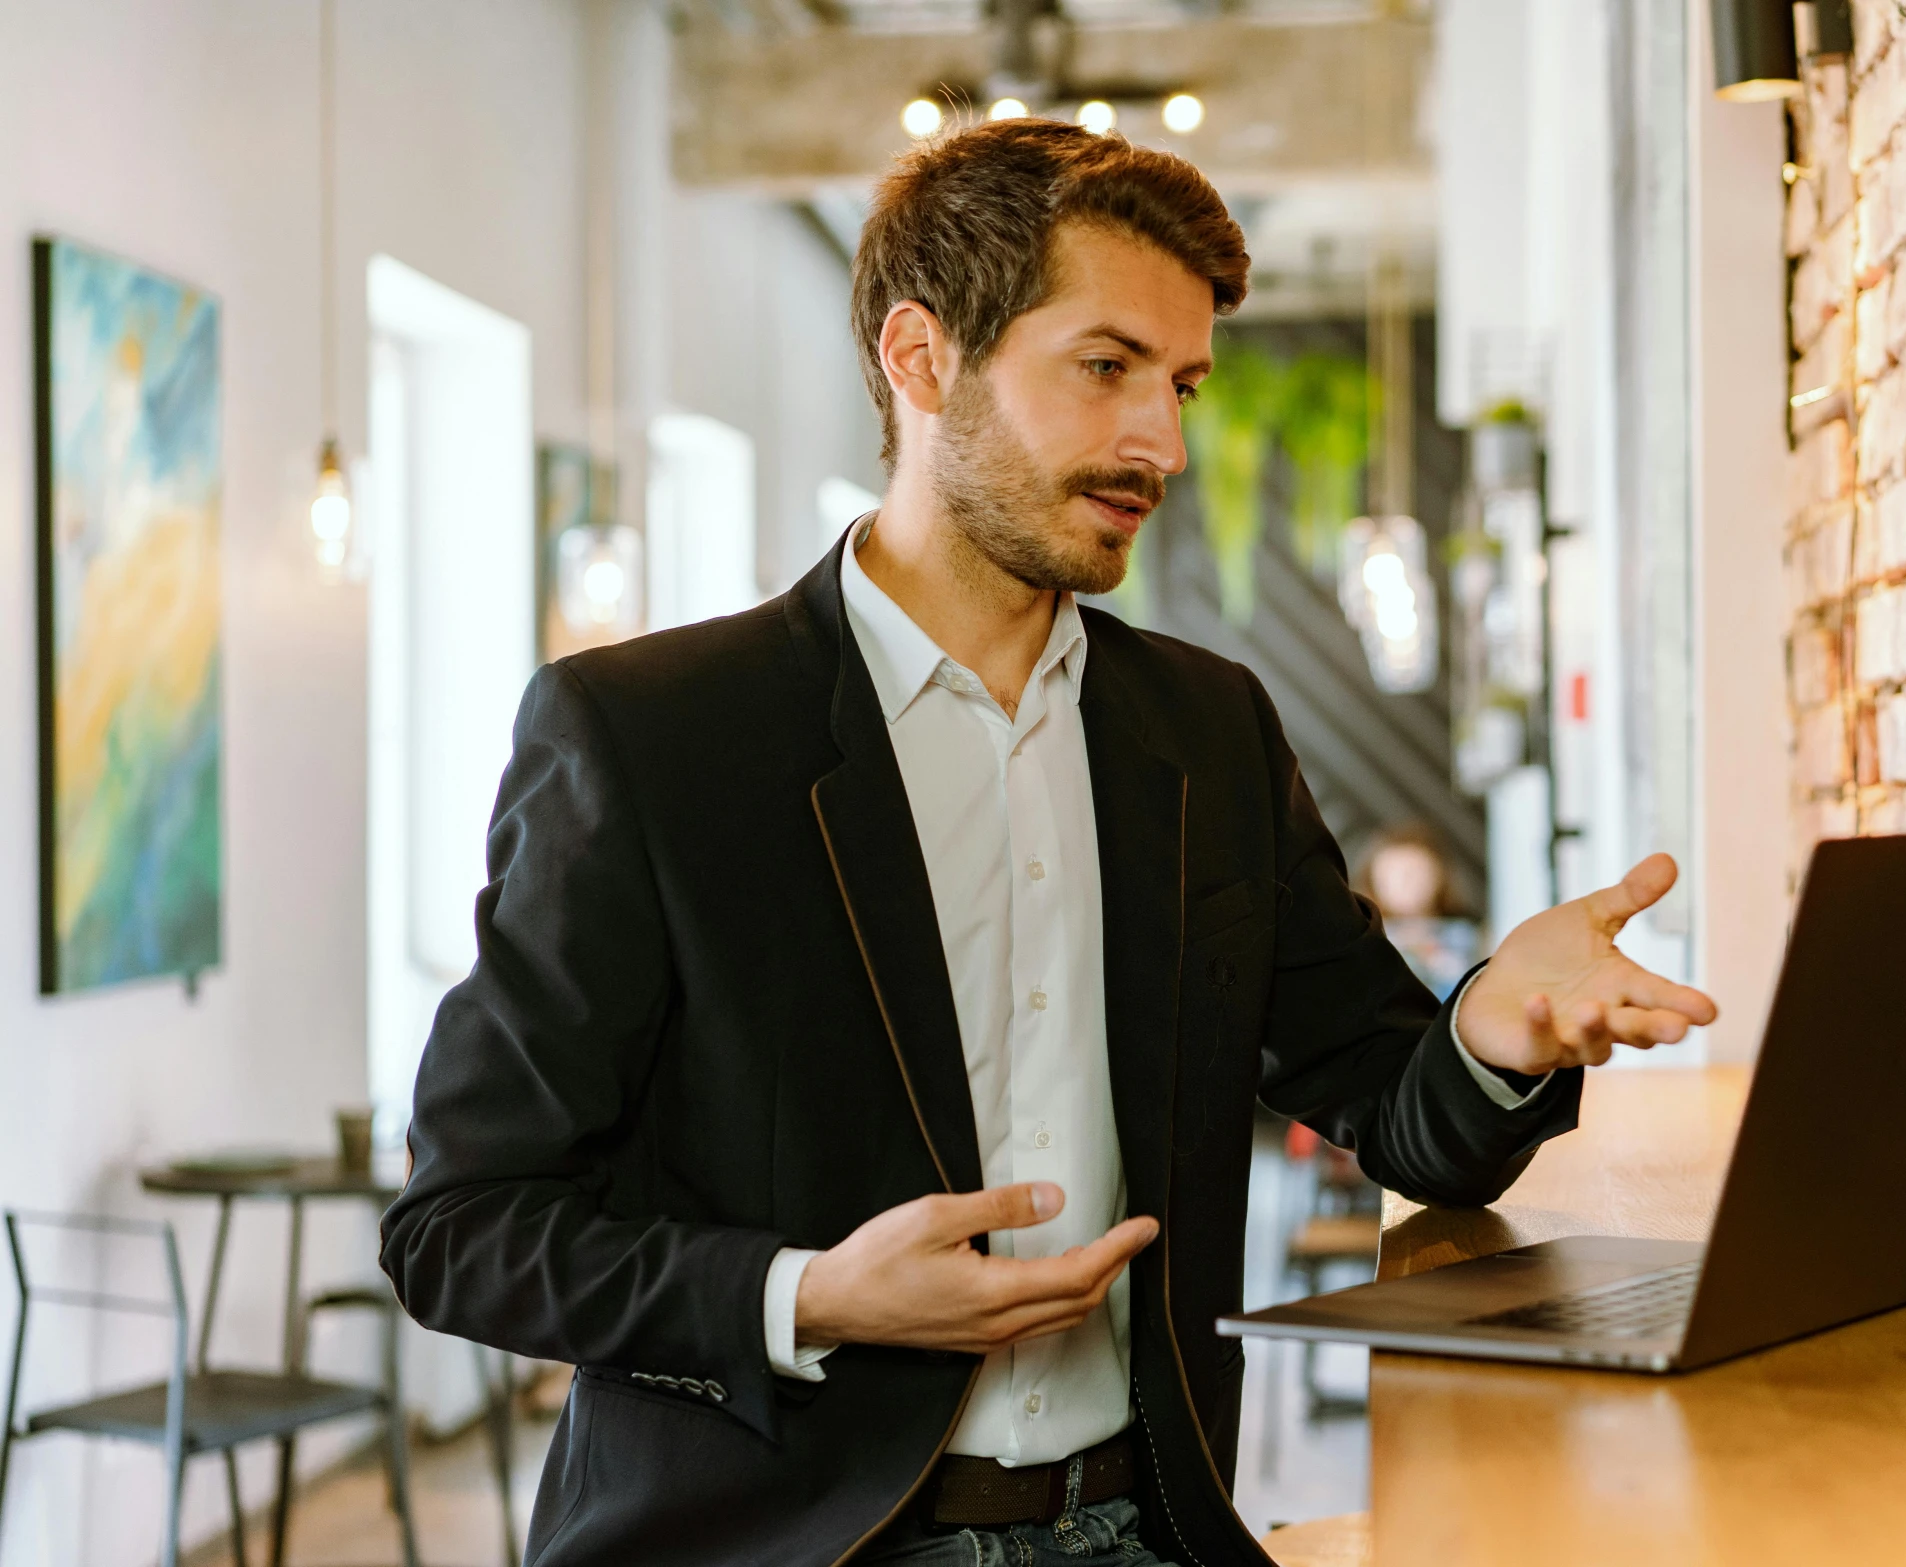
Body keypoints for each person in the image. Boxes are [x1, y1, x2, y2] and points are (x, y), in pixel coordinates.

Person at [380, 119, 1714, 1567]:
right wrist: (805, 1291)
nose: (1163, 441)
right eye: (1105, 367)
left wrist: (1494, 1029)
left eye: (1184, 384)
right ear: (920, 358)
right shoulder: (646, 735)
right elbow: (462, 1222)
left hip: (1144, 1528)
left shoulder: (1207, 730)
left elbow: (1395, 1104)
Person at [1353, 820, 1482, 997]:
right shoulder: (1361, 937)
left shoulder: (1467, 936)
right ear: (1374, 878)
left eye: (1416, 872)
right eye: (1394, 873)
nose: (1406, 883)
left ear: (1440, 876)